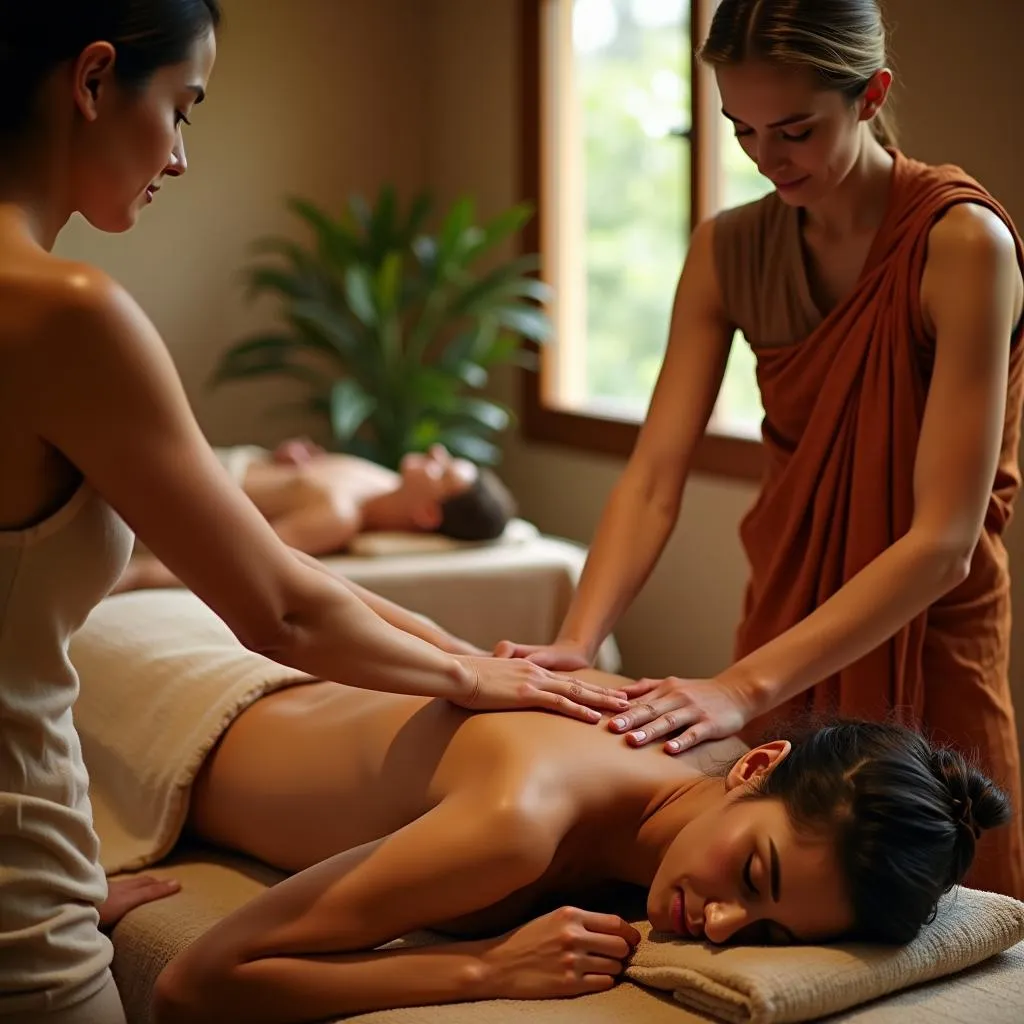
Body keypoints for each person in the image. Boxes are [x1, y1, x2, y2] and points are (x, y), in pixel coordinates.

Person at [0, 5, 628, 1022]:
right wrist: (468, 669)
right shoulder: (68, 312)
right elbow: (280, 611)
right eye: (182, 108)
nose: (182, 157)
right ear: (93, 80)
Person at [495, 0, 1024, 898]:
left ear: (872, 95)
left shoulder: (963, 244)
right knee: (771, 886)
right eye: (742, 128)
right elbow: (655, 478)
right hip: (788, 605)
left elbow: (941, 541)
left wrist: (738, 690)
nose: (766, 158)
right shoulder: (729, 248)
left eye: (795, 129)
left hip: (928, 628)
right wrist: (580, 640)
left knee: (944, 912)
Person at [149, 661, 1010, 1023]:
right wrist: (484, 970)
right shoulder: (518, 828)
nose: (718, 926)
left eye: (768, 934)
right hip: (168, 720)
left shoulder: (691, 779)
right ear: (757, 764)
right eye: (753, 875)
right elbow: (195, 985)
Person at [112, 440, 518, 592]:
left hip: (173, 485)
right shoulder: (378, 478)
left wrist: (135, 576)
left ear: (428, 513)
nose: (436, 452)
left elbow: (235, 554)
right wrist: (290, 459)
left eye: (441, 471)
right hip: (210, 458)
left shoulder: (337, 518)